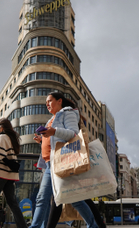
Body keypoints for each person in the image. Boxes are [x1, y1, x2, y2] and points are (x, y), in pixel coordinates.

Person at [29, 92, 99, 228]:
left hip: (61, 162)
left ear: (59, 101)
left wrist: (53, 131)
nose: (47, 104)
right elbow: (54, 140)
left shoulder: (67, 113)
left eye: (49, 101)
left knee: (71, 199)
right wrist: (42, 140)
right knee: (44, 198)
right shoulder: (51, 119)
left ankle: (93, 225)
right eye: (46, 103)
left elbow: (73, 134)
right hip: (49, 164)